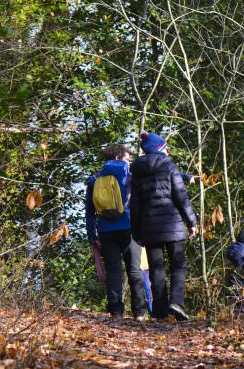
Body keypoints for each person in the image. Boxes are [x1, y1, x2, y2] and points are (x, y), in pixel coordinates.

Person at [130, 131, 198, 321]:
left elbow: (134, 205)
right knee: (178, 266)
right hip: (173, 224)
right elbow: (181, 196)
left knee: (156, 269)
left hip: (149, 229)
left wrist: (136, 233)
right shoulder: (169, 166)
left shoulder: (136, 171)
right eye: (165, 147)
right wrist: (191, 222)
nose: (167, 150)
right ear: (159, 148)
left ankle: (159, 312)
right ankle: (176, 303)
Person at [85, 143, 147, 320]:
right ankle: (140, 312)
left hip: (106, 231)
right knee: (135, 270)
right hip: (130, 228)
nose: (130, 160)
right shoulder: (131, 175)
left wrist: (92, 237)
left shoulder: (94, 179)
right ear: (119, 158)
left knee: (113, 271)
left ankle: (116, 312)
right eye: (128, 157)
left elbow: (90, 212)